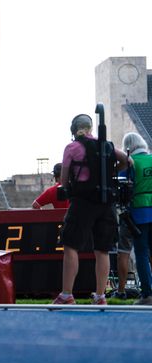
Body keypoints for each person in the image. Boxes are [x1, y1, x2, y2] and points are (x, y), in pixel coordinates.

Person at [53, 114, 129, 305]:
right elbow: (129, 162)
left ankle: (67, 295)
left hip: (83, 202)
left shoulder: (72, 148)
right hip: (106, 204)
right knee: (102, 250)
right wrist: (111, 172)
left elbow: (63, 180)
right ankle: (101, 296)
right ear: (91, 128)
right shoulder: (108, 146)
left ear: (74, 130)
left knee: (71, 246)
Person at [122, 132, 152, 305]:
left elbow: (124, 186)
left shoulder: (130, 163)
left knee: (141, 252)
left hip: (140, 210)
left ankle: (147, 294)